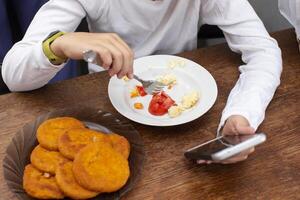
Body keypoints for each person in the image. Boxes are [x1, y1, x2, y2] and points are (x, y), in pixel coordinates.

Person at [2, 0, 282, 164]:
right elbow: (14, 76)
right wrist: (58, 43)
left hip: (186, 128)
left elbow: (263, 51)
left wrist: (242, 112)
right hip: (104, 121)